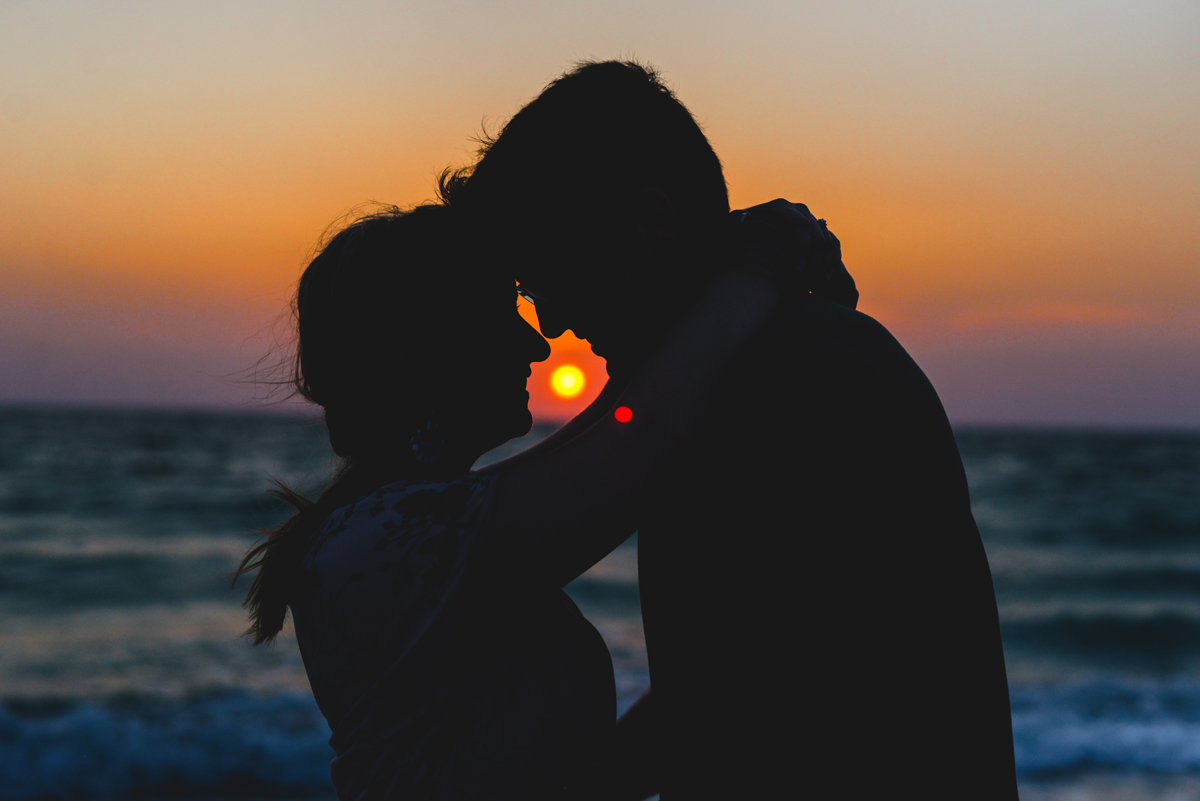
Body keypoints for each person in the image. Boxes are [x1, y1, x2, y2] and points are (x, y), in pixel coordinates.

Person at [443, 60, 1019, 799]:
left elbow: (786, 694)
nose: (550, 322)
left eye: (548, 274)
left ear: (650, 222)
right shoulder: (748, 375)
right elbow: (738, 676)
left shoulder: (804, 374)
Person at [234, 200, 835, 798]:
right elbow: (644, 434)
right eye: (503, 314)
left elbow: (623, 411)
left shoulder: (414, 525)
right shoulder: (389, 541)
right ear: (426, 349)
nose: (537, 345)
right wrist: (764, 258)